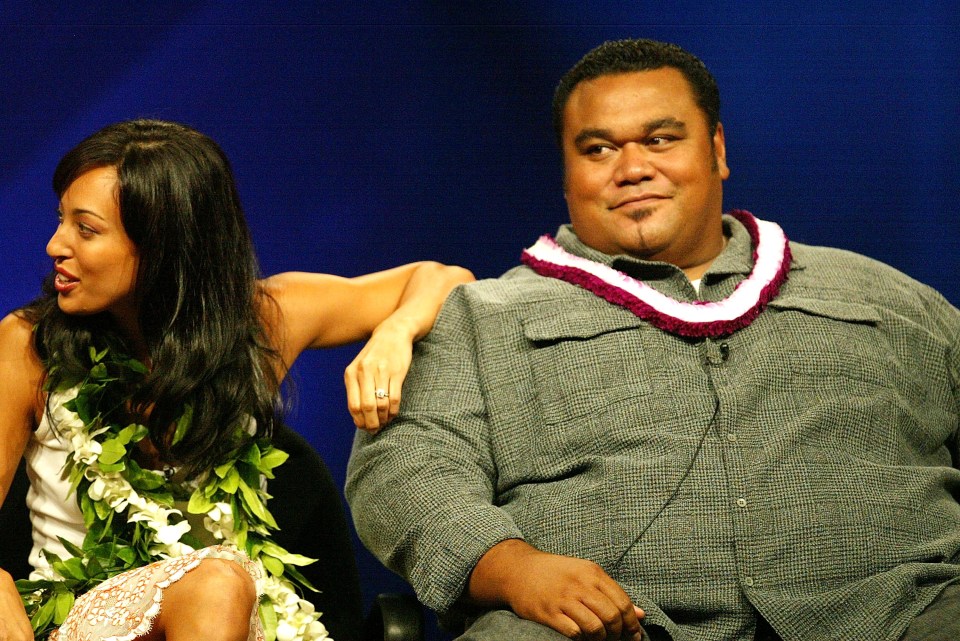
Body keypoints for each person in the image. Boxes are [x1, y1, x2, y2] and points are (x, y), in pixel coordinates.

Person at [346, 38, 960, 641]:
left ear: (717, 150)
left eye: (661, 140)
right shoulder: (482, 319)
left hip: (904, 613)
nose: (634, 167)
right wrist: (512, 568)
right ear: (566, 176)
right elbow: (403, 469)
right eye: (598, 149)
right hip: (604, 625)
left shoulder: (887, 299)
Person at [0, 118, 474, 641]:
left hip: (232, 618)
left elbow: (443, 279)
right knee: (216, 582)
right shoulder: (30, 346)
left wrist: (394, 336)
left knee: (220, 584)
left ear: (163, 244)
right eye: (60, 220)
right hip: (82, 619)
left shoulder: (258, 325)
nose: (54, 245)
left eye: (85, 229)